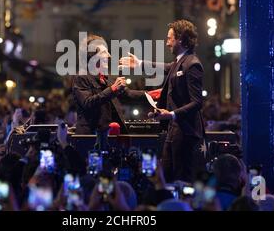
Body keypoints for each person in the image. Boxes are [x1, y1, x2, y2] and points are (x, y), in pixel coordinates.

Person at [120, 19, 206, 182]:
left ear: (180, 39)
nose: (167, 43)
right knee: (167, 177)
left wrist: (172, 114)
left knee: (181, 179)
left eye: (169, 38)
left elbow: (197, 103)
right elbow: (165, 67)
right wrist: (139, 63)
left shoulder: (192, 64)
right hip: (174, 131)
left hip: (185, 133)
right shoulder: (180, 61)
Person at [71, 34, 145, 151]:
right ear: (92, 55)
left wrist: (151, 94)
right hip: (90, 139)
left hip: (111, 139)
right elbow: (88, 103)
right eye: (104, 52)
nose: (109, 55)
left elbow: (128, 94)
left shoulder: (107, 78)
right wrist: (113, 89)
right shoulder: (81, 77)